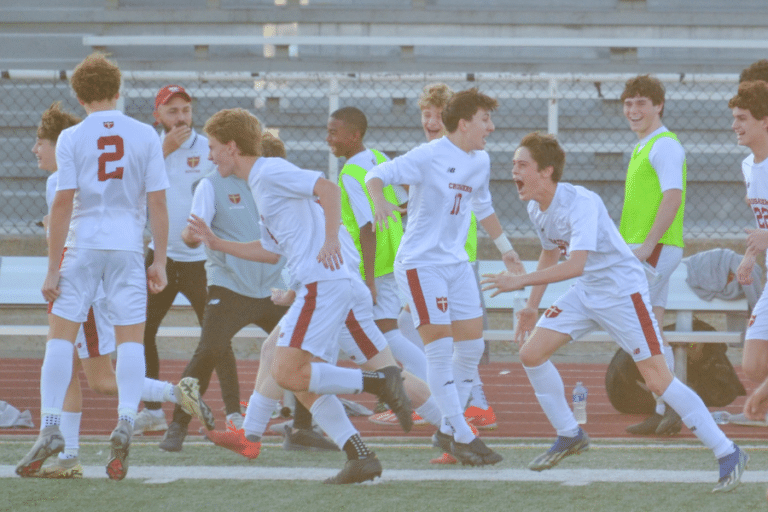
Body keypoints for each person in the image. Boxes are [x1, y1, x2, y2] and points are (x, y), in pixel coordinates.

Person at [481, 131, 747, 493]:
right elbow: (550, 253)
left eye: (521, 164)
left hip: (624, 294)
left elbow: (576, 263)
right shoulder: (535, 207)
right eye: (513, 164)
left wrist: (520, 281)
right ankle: (569, 434)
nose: (513, 170)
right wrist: (531, 305)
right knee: (530, 352)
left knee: (658, 379)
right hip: (588, 292)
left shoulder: (581, 203)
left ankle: (727, 451)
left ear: (546, 171)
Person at [186, 108, 413, 484]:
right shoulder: (260, 184)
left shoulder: (269, 171)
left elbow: (328, 188)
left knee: (288, 371)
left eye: (212, 148)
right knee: (294, 375)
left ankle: (380, 383)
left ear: (230, 146)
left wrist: (328, 241)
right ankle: (358, 456)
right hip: (318, 284)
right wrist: (216, 241)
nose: (209, 156)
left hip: (323, 284)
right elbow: (271, 251)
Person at [27, 102, 211, 479]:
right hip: (111, 268)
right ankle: (71, 456)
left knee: (88, 373)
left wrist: (51, 260)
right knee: (91, 376)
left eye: (39, 142)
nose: (35, 150)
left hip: (81, 285)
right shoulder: (102, 161)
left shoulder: (62, 175)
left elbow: (63, 225)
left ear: (57, 142)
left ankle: (70, 450)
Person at [16, 53, 170, 481]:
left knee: (59, 340)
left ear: (79, 96)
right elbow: (157, 202)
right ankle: (125, 418)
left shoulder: (71, 138)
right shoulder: (144, 135)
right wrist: (158, 258)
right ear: (119, 90)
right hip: (125, 247)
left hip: (82, 245)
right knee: (131, 340)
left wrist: (52, 269)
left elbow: (62, 203)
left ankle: (51, 427)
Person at [366, 88, 523, 466]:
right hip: (421, 265)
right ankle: (462, 432)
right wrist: (380, 200)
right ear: (466, 122)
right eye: (486, 119)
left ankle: (448, 431)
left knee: (470, 348)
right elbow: (376, 175)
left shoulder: (480, 160)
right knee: (438, 350)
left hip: (456, 264)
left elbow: (482, 205)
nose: (492, 127)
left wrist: (506, 249)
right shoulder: (428, 155)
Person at [157, 131, 290, 452]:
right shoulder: (211, 184)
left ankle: (302, 426)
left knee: (301, 350)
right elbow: (194, 229)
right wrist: (191, 235)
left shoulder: (277, 186)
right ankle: (177, 425)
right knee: (208, 351)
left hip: (274, 287)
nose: (210, 156)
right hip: (229, 285)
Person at [329, 106, 432, 427]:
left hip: (369, 264)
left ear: (354, 135)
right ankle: (412, 390)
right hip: (393, 254)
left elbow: (367, 226)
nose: (328, 138)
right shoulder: (377, 156)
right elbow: (403, 202)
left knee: (382, 334)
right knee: (384, 332)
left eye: (334, 132)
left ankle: (429, 391)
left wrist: (369, 279)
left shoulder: (349, 174)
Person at [137, 85, 213, 435]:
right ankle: (152, 411)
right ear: (158, 116)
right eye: (172, 112)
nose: (180, 117)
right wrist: (162, 152)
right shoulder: (147, 146)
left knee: (215, 336)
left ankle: (230, 414)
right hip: (161, 257)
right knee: (141, 331)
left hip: (202, 261)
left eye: (185, 110)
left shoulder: (208, 146)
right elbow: (131, 189)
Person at [618, 75, 686, 436]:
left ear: (658, 105)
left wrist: (647, 246)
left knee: (641, 329)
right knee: (651, 329)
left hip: (654, 249)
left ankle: (673, 403)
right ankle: (666, 407)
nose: (634, 110)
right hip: (643, 250)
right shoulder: (644, 145)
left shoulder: (665, 146)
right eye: (629, 104)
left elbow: (672, 197)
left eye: (641, 103)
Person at [732, 80, 768, 425]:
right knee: (755, 364)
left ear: (765, 121)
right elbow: (762, 222)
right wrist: (750, 256)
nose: (735, 126)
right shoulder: (748, 166)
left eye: (742, 118)